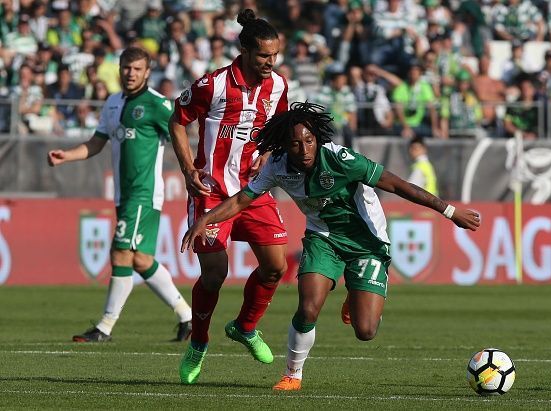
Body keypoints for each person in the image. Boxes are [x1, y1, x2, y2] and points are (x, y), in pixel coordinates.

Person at [180, 102, 482, 391]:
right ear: (285, 145)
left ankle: (354, 290)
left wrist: (450, 212)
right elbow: (241, 200)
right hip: (323, 238)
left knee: (366, 331)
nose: (304, 148)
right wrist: (204, 220)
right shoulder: (277, 166)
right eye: (296, 143)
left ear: (317, 139)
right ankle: (292, 375)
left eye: (309, 141)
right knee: (308, 307)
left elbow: (398, 184)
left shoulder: (340, 159)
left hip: (368, 243)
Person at [169, 9, 289, 385]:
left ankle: (244, 327)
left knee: (276, 267)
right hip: (212, 191)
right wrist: (189, 171)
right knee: (215, 273)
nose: (271, 63)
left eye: (275, 55)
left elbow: (278, 130)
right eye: (264, 56)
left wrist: (268, 154)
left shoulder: (279, 87)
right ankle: (199, 343)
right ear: (244, 51)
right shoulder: (213, 84)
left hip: (254, 192)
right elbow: (177, 120)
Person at [47, 46, 193, 342]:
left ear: (147, 72)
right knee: (140, 259)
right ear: (120, 69)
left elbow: (181, 132)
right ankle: (187, 317)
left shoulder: (157, 104)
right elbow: (96, 143)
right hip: (123, 194)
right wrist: (67, 155)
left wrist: (190, 171)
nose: (131, 73)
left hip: (144, 192)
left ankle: (105, 327)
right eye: (127, 68)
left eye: (137, 69)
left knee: (120, 254)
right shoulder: (113, 103)